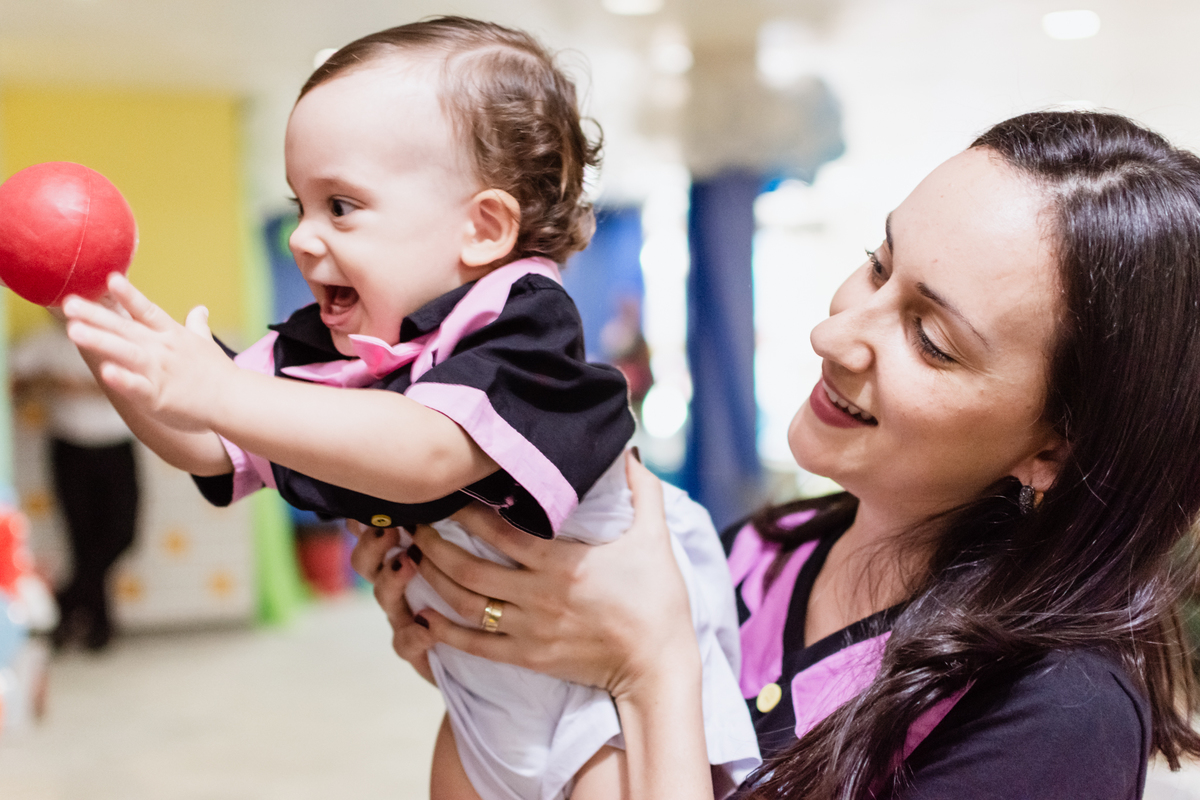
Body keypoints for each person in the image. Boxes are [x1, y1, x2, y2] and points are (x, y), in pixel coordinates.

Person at [354, 110, 1200, 799]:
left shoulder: (1056, 713)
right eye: (878, 266)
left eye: (932, 339)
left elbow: (651, 691)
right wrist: (502, 669)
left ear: (1056, 447)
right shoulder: (764, 552)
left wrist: (651, 666)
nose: (834, 335)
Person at [59, 16, 759, 800]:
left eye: (341, 206)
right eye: (299, 204)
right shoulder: (336, 345)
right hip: (485, 688)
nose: (301, 238)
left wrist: (218, 388)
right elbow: (205, 440)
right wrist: (111, 345)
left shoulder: (521, 321)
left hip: (602, 701)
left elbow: (428, 451)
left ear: (483, 228)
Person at [10, 316, 139, 652]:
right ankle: (99, 626)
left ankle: (62, 604)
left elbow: (137, 384)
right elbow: (14, 386)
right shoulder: (41, 342)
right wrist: (45, 383)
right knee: (82, 539)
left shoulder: (112, 335)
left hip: (116, 445)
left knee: (122, 534)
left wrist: (84, 387)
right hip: (69, 447)